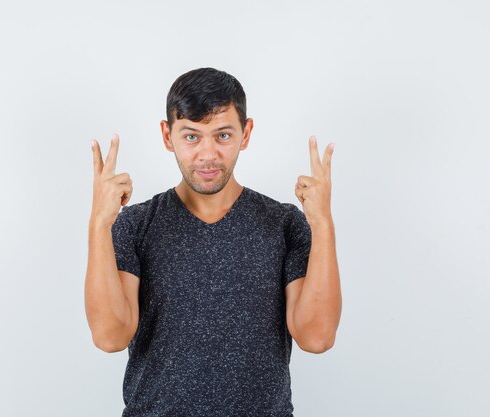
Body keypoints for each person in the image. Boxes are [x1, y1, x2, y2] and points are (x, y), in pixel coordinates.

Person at [84, 67, 342, 417]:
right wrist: (99, 224)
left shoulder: (284, 223)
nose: (207, 155)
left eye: (222, 135)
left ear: (245, 133)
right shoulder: (136, 224)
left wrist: (323, 224)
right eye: (191, 137)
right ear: (167, 134)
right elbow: (109, 336)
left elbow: (317, 337)